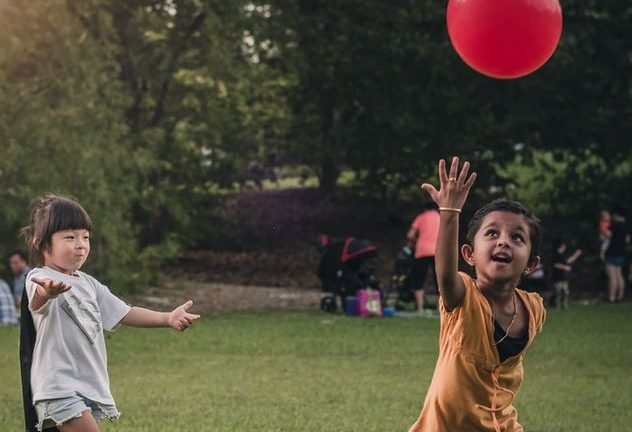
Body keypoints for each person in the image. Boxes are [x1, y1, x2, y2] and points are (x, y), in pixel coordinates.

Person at [19, 194, 200, 432]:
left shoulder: (89, 284)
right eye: (70, 237)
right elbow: (36, 299)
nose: (80, 244)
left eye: (85, 237)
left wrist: (166, 318)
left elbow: (125, 312)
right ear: (41, 244)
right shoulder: (40, 277)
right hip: (57, 386)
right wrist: (47, 293)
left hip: (87, 384)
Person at [409, 157, 546, 432]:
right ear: (469, 254)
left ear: (531, 264)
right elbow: (445, 275)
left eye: (517, 237)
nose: (503, 241)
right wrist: (449, 210)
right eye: (492, 233)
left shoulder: (534, 310)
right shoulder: (462, 298)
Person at [406, 201, 440, 315]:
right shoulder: (441, 217)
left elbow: (410, 235)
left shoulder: (421, 217)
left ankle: (420, 309)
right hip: (438, 251)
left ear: (425, 209)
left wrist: (416, 242)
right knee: (439, 280)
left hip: (422, 251)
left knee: (419, 279)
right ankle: (440, 309)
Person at [604, 205, 629, 303]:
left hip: (612, 253)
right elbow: (627, 240)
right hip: (621, 253)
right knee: (620, 276)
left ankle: (611, 297)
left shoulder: (614, 226)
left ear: (617, 215)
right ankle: (620, 297)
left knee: (612, 277)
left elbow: (607, 235)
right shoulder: (627, 227)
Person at [551, 239, 582, 310]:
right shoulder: (555, 254)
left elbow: (568, 261)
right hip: (557, 277)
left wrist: (576, 255)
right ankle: (557, 306)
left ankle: (564, 305)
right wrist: (565, 268)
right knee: (558, 292)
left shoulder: (563, 255)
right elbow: (556, 265)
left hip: (564, 277)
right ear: (561, 246)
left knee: (566, 292)